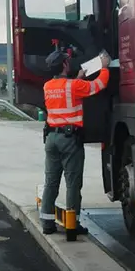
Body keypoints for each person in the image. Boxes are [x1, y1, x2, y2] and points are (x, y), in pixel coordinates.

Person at [40, 49, 110, 235]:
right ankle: (72, 225)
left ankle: (47, 223)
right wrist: (104, 67)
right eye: (67, 61)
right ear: (64, 65)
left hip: (51, 139)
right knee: (72, 183)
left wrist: (79, 78)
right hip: (69, 140)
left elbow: (69, 90)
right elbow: (99, 85)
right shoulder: (73, 85)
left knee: (51, 182)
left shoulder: (48, 86)